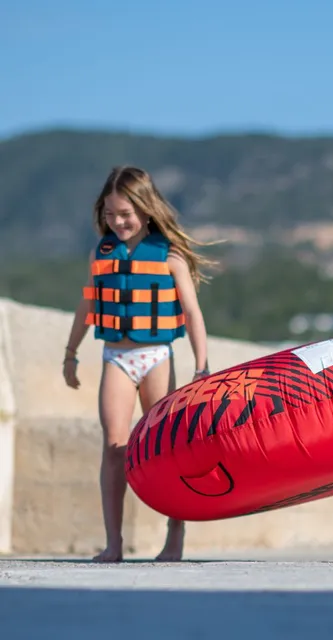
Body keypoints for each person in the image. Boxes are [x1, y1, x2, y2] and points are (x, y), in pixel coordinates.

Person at [62, 166, 217, 562]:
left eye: (125, 214)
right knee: (114, 448)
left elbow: (192, 312)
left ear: (146, 210)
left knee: (165, 450)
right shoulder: (103, 252)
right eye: (110, 214)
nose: (117, 222)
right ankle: (114, 543)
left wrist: (202, 366)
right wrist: (71, 352)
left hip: (157, 357)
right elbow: (88, 304)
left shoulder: (169, 256)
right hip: (116, 356)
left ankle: (175, 533)